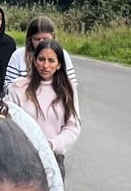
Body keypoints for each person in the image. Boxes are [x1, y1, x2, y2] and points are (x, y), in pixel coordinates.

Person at [7, 39, 80, 177]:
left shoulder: (68, 89)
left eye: (51, 61)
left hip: (54, 159)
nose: (45, 65)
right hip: (22, 159)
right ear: (34, 61)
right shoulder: (18, 87)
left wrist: (51, 145)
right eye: (41, 59)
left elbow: (72, 126)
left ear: (59, 64)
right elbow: (8, 124)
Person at [4, 15, 78, 86]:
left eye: (46, 39)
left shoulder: (62, 54)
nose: (41, 42)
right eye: (37, 39)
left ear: (53, 36)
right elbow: (8, 86)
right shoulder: (18, 55)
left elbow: (71, 85)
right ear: (30, 39)